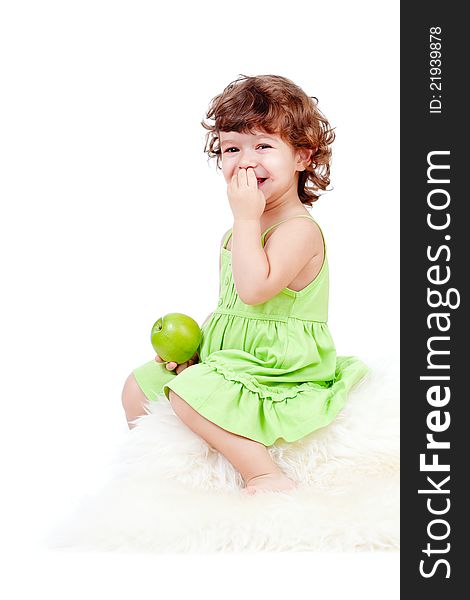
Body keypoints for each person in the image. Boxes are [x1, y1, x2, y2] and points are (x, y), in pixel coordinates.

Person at [121, 74, 369, 494]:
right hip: (238, 354)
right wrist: (199, 349)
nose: (246, 160)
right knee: (139, 385)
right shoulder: (243, 225)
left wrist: (246, 219)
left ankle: (265, 475)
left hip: (281, 365)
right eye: (233, 148)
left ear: (302, 157)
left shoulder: (298, 230)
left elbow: (256, 290)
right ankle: (168, 471)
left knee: (188, 392)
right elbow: (235, 305)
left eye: (264, 146)